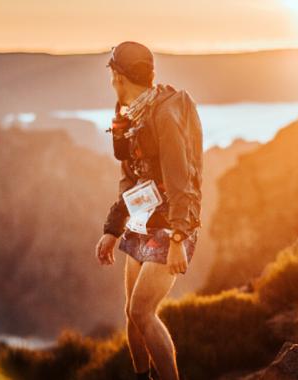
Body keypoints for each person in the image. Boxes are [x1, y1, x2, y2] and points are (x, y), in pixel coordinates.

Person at [95, 41, 203, 380]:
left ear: (119, 76)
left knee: (142, 313)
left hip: (171, 225)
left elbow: (181, 183)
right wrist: (113, 229)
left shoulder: (166, 116)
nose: (112, 80)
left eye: (113, 73)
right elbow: (130, 180)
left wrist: (178, 238)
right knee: (131, 314)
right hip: (142, 220)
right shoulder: (127, 115)